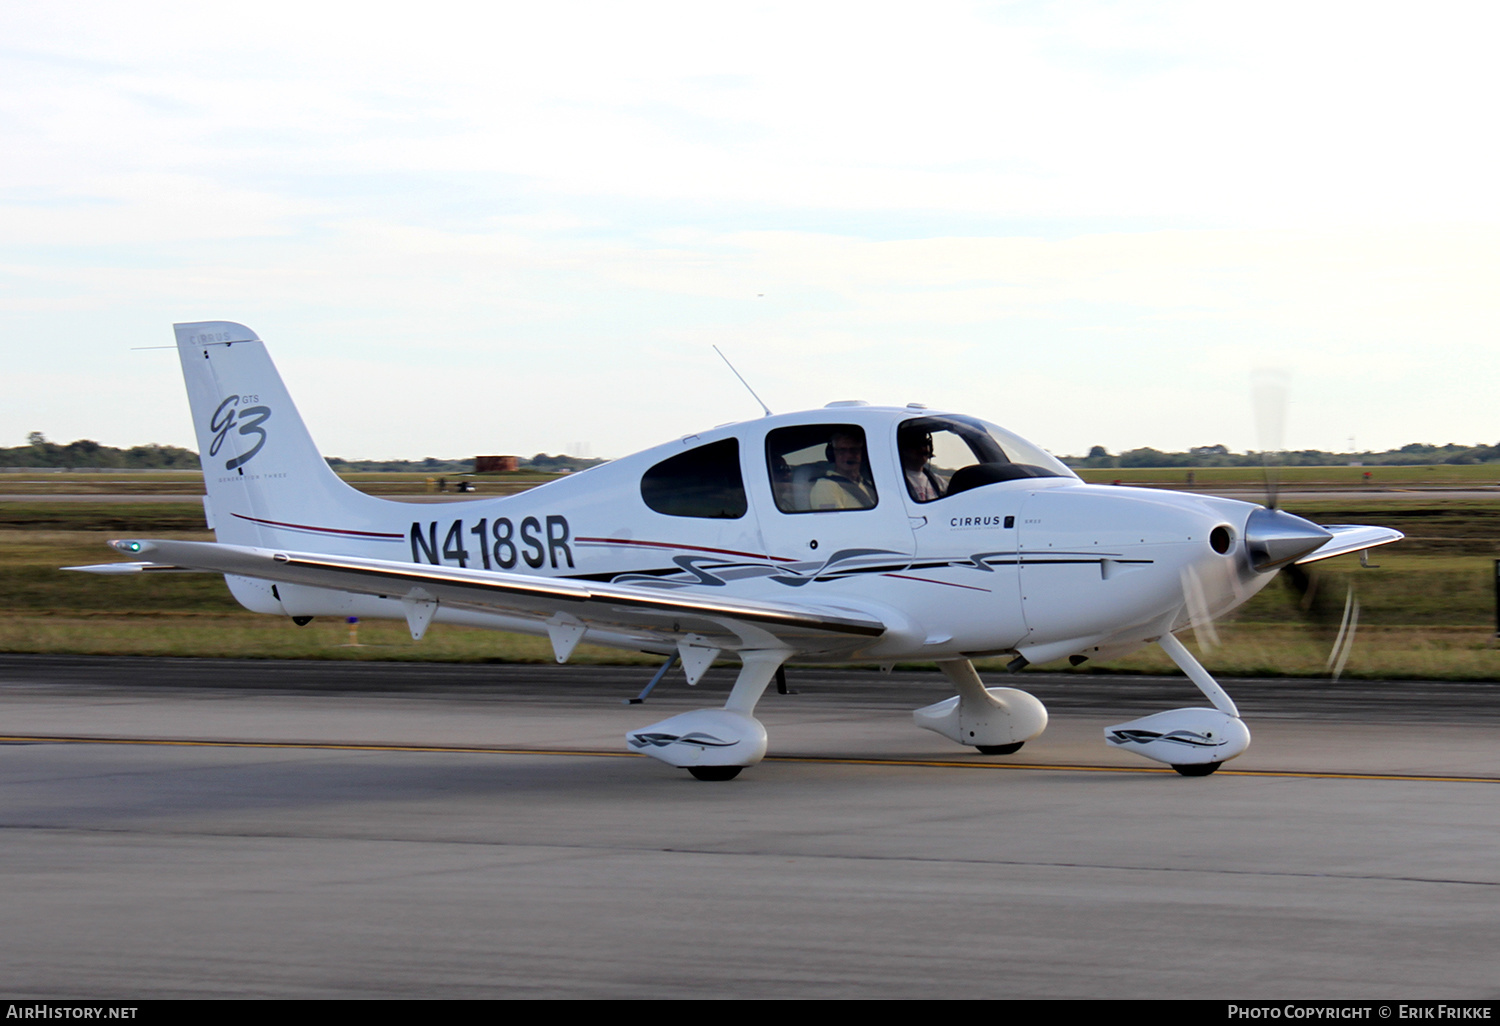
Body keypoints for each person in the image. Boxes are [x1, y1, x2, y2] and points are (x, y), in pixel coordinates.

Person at [810, 430, 877, 510]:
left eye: (854, 450)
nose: (848, 456)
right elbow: (835, 521)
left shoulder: (868, 485)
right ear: (832, 454)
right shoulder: (826, 485)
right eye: (842, 450)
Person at [899, 427, 944, 502]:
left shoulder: (938, 482)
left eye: (925, 444)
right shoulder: (897, 481)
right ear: (903, 449)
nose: (923, 449)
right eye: (915, 445)